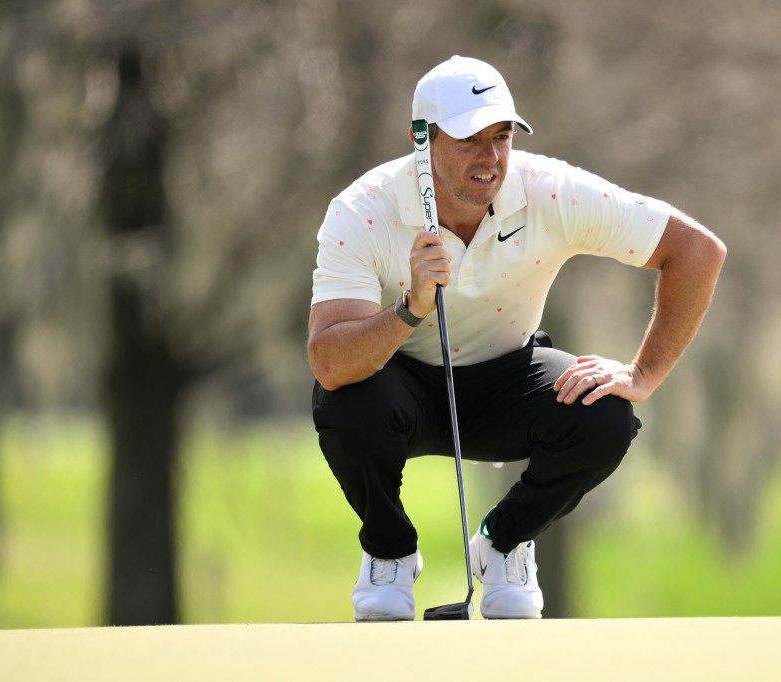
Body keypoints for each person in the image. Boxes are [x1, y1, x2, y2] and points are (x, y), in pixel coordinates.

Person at [308, 56, 726, 621]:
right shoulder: (363, 210)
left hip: (509, 378)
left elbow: (698, 252)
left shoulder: (549, 190)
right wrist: (409, 310)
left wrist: (643, 373)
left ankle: (504, 543)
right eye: (470, 138)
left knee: (605, 414)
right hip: (398, 385)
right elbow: (329, 361)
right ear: (421, 138)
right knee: (346, 399)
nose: (492, 156)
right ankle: (390, 552)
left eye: (502, 136)